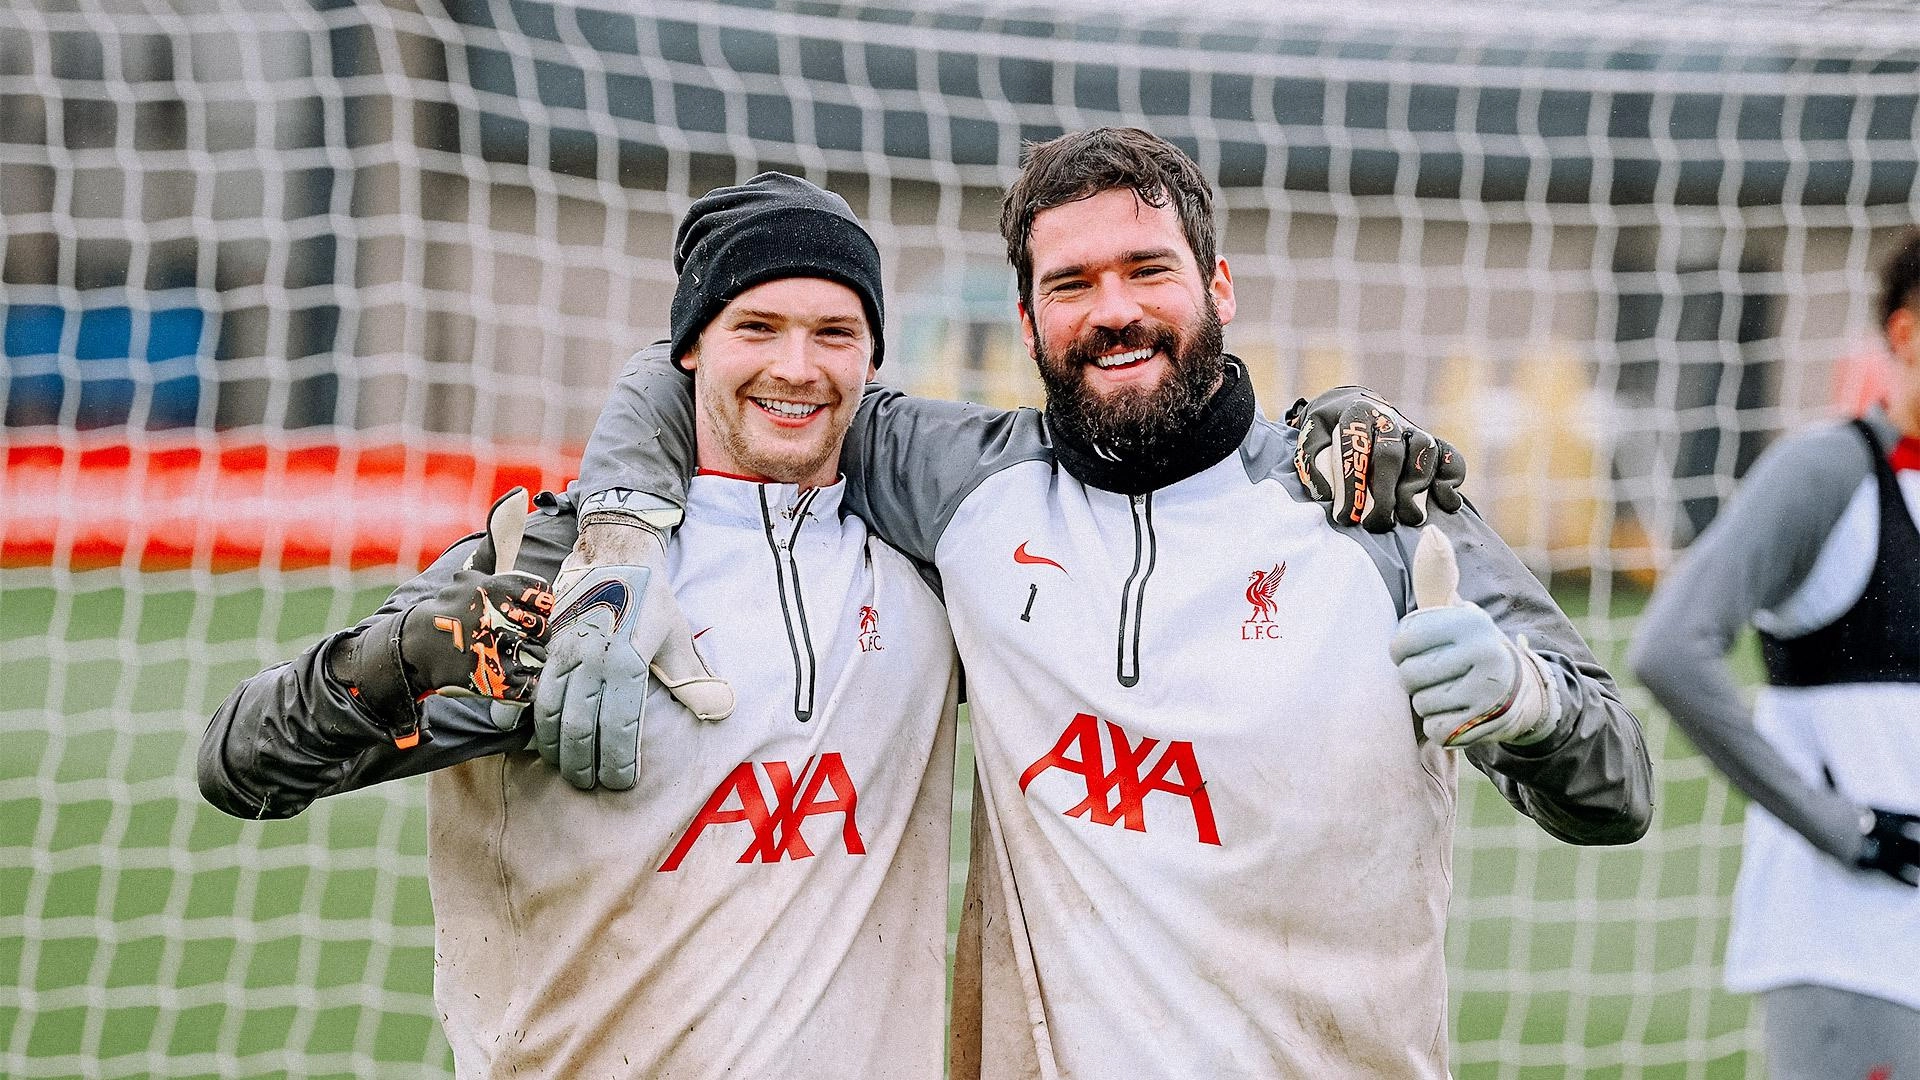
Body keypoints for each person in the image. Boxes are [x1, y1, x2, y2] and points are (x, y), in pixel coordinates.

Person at [544, 127, 1654, 1078]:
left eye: (1147, 270)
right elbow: (733, 356)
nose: (1114, 311)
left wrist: (1527, 704)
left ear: (1218, 289)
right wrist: (623, 533)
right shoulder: (958, 480)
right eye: (1071, 286)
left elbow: (1618, 787)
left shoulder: (1371, 499)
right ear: (1026, 322)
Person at [197, 172, 964, 1078]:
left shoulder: (930, 573)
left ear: (872, 359)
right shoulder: (550, 569)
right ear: (688, 348)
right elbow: (240, 764)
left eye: (833, 333)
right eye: (756, 327)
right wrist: (396, 658)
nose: (797, 367)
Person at [1630, 231, 1920, 1078]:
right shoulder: (1828, 472)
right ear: (1903, 335)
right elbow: (1671, 648)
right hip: (1850, 952)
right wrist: (1841, 827)